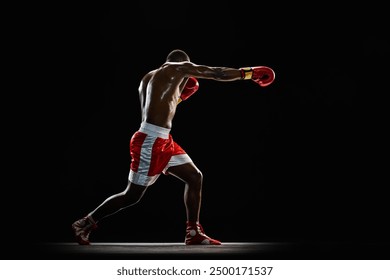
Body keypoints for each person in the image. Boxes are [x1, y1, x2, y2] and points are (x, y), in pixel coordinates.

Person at [72, 49, 275, 245]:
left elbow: (158, 107)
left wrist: (180, 97)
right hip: (150, 141)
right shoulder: (178, 68)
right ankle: (85, 223)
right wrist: (248, 73)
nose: (188, 75)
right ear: (183, 63)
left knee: (195, 177)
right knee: (131, 196)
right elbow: (216, 73)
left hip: (161, 139)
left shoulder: (149, 78)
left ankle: (193, 232)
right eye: (188, 70)